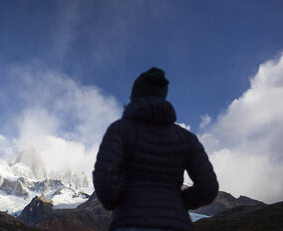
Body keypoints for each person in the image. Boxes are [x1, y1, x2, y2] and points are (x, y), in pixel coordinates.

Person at [93, 67, 219, 231]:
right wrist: (178, 202)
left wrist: (116, 202)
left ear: (135, 97)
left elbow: (104, 177)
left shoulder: (120, 130)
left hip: (130, 222)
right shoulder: (186, 138)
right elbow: (208, 188)